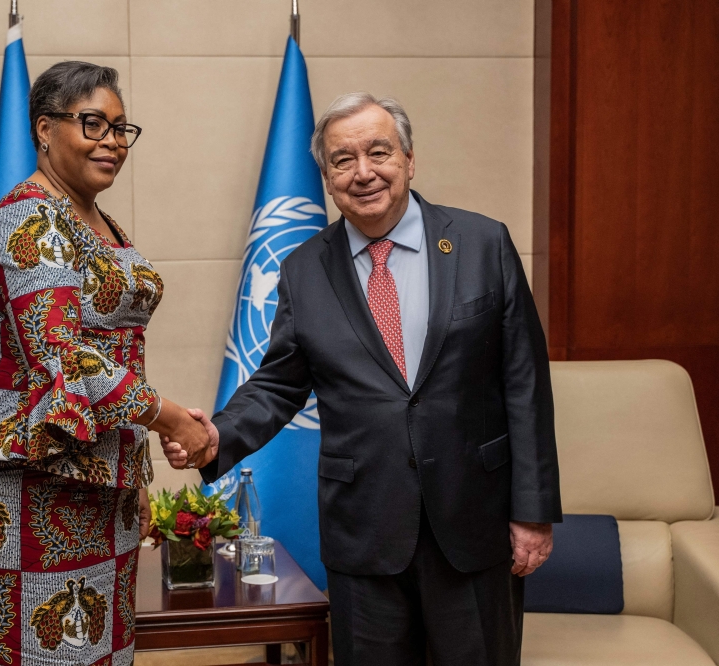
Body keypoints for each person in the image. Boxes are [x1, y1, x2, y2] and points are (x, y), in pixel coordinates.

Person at [165, 92, 562, 665]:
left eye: (379, 152)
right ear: (326, 177)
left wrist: (532, 512)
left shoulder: (483, 243)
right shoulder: (304, 268)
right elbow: (278, 384)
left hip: (473, 524)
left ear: (409, 159)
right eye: (343, 160)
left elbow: (524, 382)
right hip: (365, 530)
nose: (364, 172)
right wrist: (217, 437)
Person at [0, 61, 209, 666]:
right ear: (44, 128)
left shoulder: (97, 219)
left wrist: (132, 473)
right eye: (93, 124)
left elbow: (118, 353)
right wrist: (169, 418)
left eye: (121, 128)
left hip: (98, 487)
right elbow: (65, 359)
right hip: (23, 487)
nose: (112, 141)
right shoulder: (28, 215)